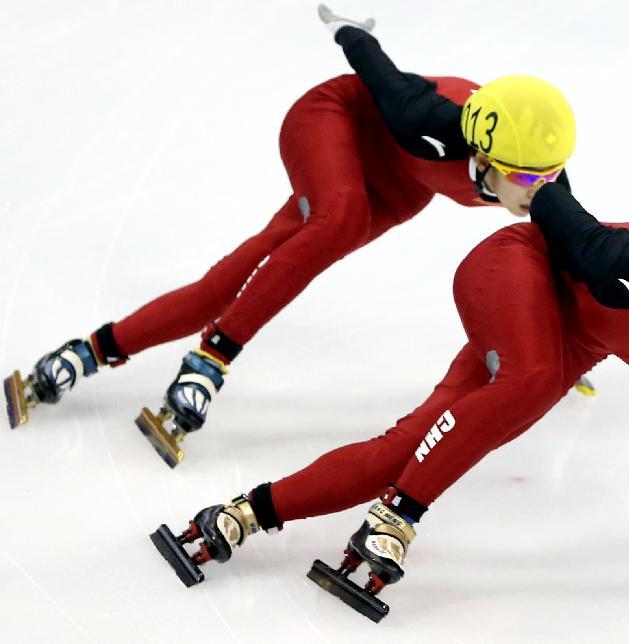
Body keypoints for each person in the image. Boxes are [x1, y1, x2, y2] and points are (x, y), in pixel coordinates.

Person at [150, 182, 629, 622]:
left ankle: (238, 516)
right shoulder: (626, 267)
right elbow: (549, 195)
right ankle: (395, 519)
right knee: (530, 382)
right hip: (513, 272)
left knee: (412, 447)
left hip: (563, 339)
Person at [2, 5, 578, 467]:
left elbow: (573, 250)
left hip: (398, 184)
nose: (541, 189)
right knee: (340, 216)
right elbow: (368, 59)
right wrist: (349, 26)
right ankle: (212, 359)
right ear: (481, 153)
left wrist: (549, 345)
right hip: (335, 120)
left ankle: (90, 351)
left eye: (550, 174)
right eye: (528, 177)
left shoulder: (540, 174)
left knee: (239, 276)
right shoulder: (423, 117)